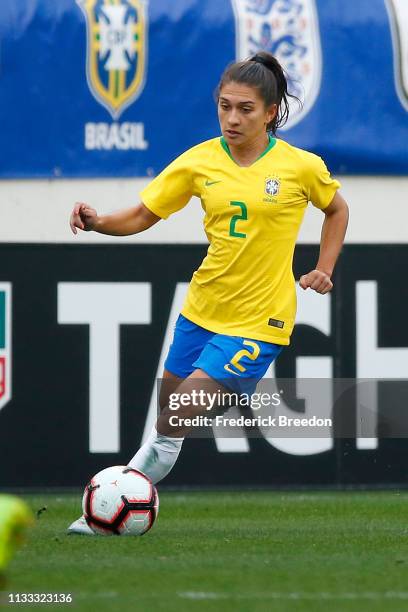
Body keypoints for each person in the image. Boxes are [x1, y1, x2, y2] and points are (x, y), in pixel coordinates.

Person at [68, 51, 348, 534]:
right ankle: (126, 499)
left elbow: (337, 209)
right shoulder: (200, 160)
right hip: (201, 310)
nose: (232, 118)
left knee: (178, 412)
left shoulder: (300, 167)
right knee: (169, 425)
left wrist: (323, 269)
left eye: (245, 109)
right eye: (224, 106)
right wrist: (98, 223)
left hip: (261, 320)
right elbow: (141, 215)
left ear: (272, 110)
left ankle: (106, 513)